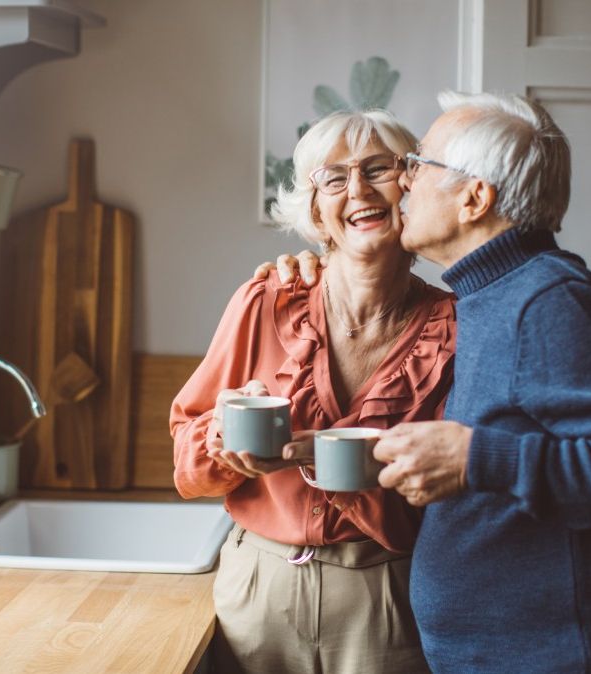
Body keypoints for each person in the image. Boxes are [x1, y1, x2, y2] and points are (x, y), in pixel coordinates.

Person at [262, 91, 591, 673]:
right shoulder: (490, 295)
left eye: (419, 165)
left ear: (474, 198)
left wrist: (473, 460)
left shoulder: (550, 301)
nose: (404, 183)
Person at [170, 109, 456, 674]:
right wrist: (221, 440)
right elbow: (185, 458)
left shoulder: (454, 327)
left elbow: (455, 499)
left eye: (378, 168)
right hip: (259, 588)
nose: (357, 190)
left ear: (410, 187)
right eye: (333, 178)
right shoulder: (266, 299)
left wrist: (341, 464)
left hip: (387, 595)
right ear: (317, 212)